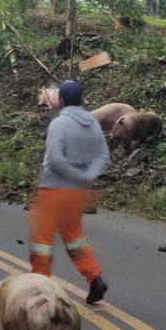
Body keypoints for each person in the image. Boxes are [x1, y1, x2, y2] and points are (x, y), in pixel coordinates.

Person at [29, 79, 110, 305]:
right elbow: (103, 155)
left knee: (42, 241)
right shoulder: (93, 123)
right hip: (77, 194)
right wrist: (87, 177)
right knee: (75, 238)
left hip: (53, 190)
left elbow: (55, 159)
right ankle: (94, 278)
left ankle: (40, 287)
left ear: (62, 99)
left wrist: (75, 175)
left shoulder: (59, 124)